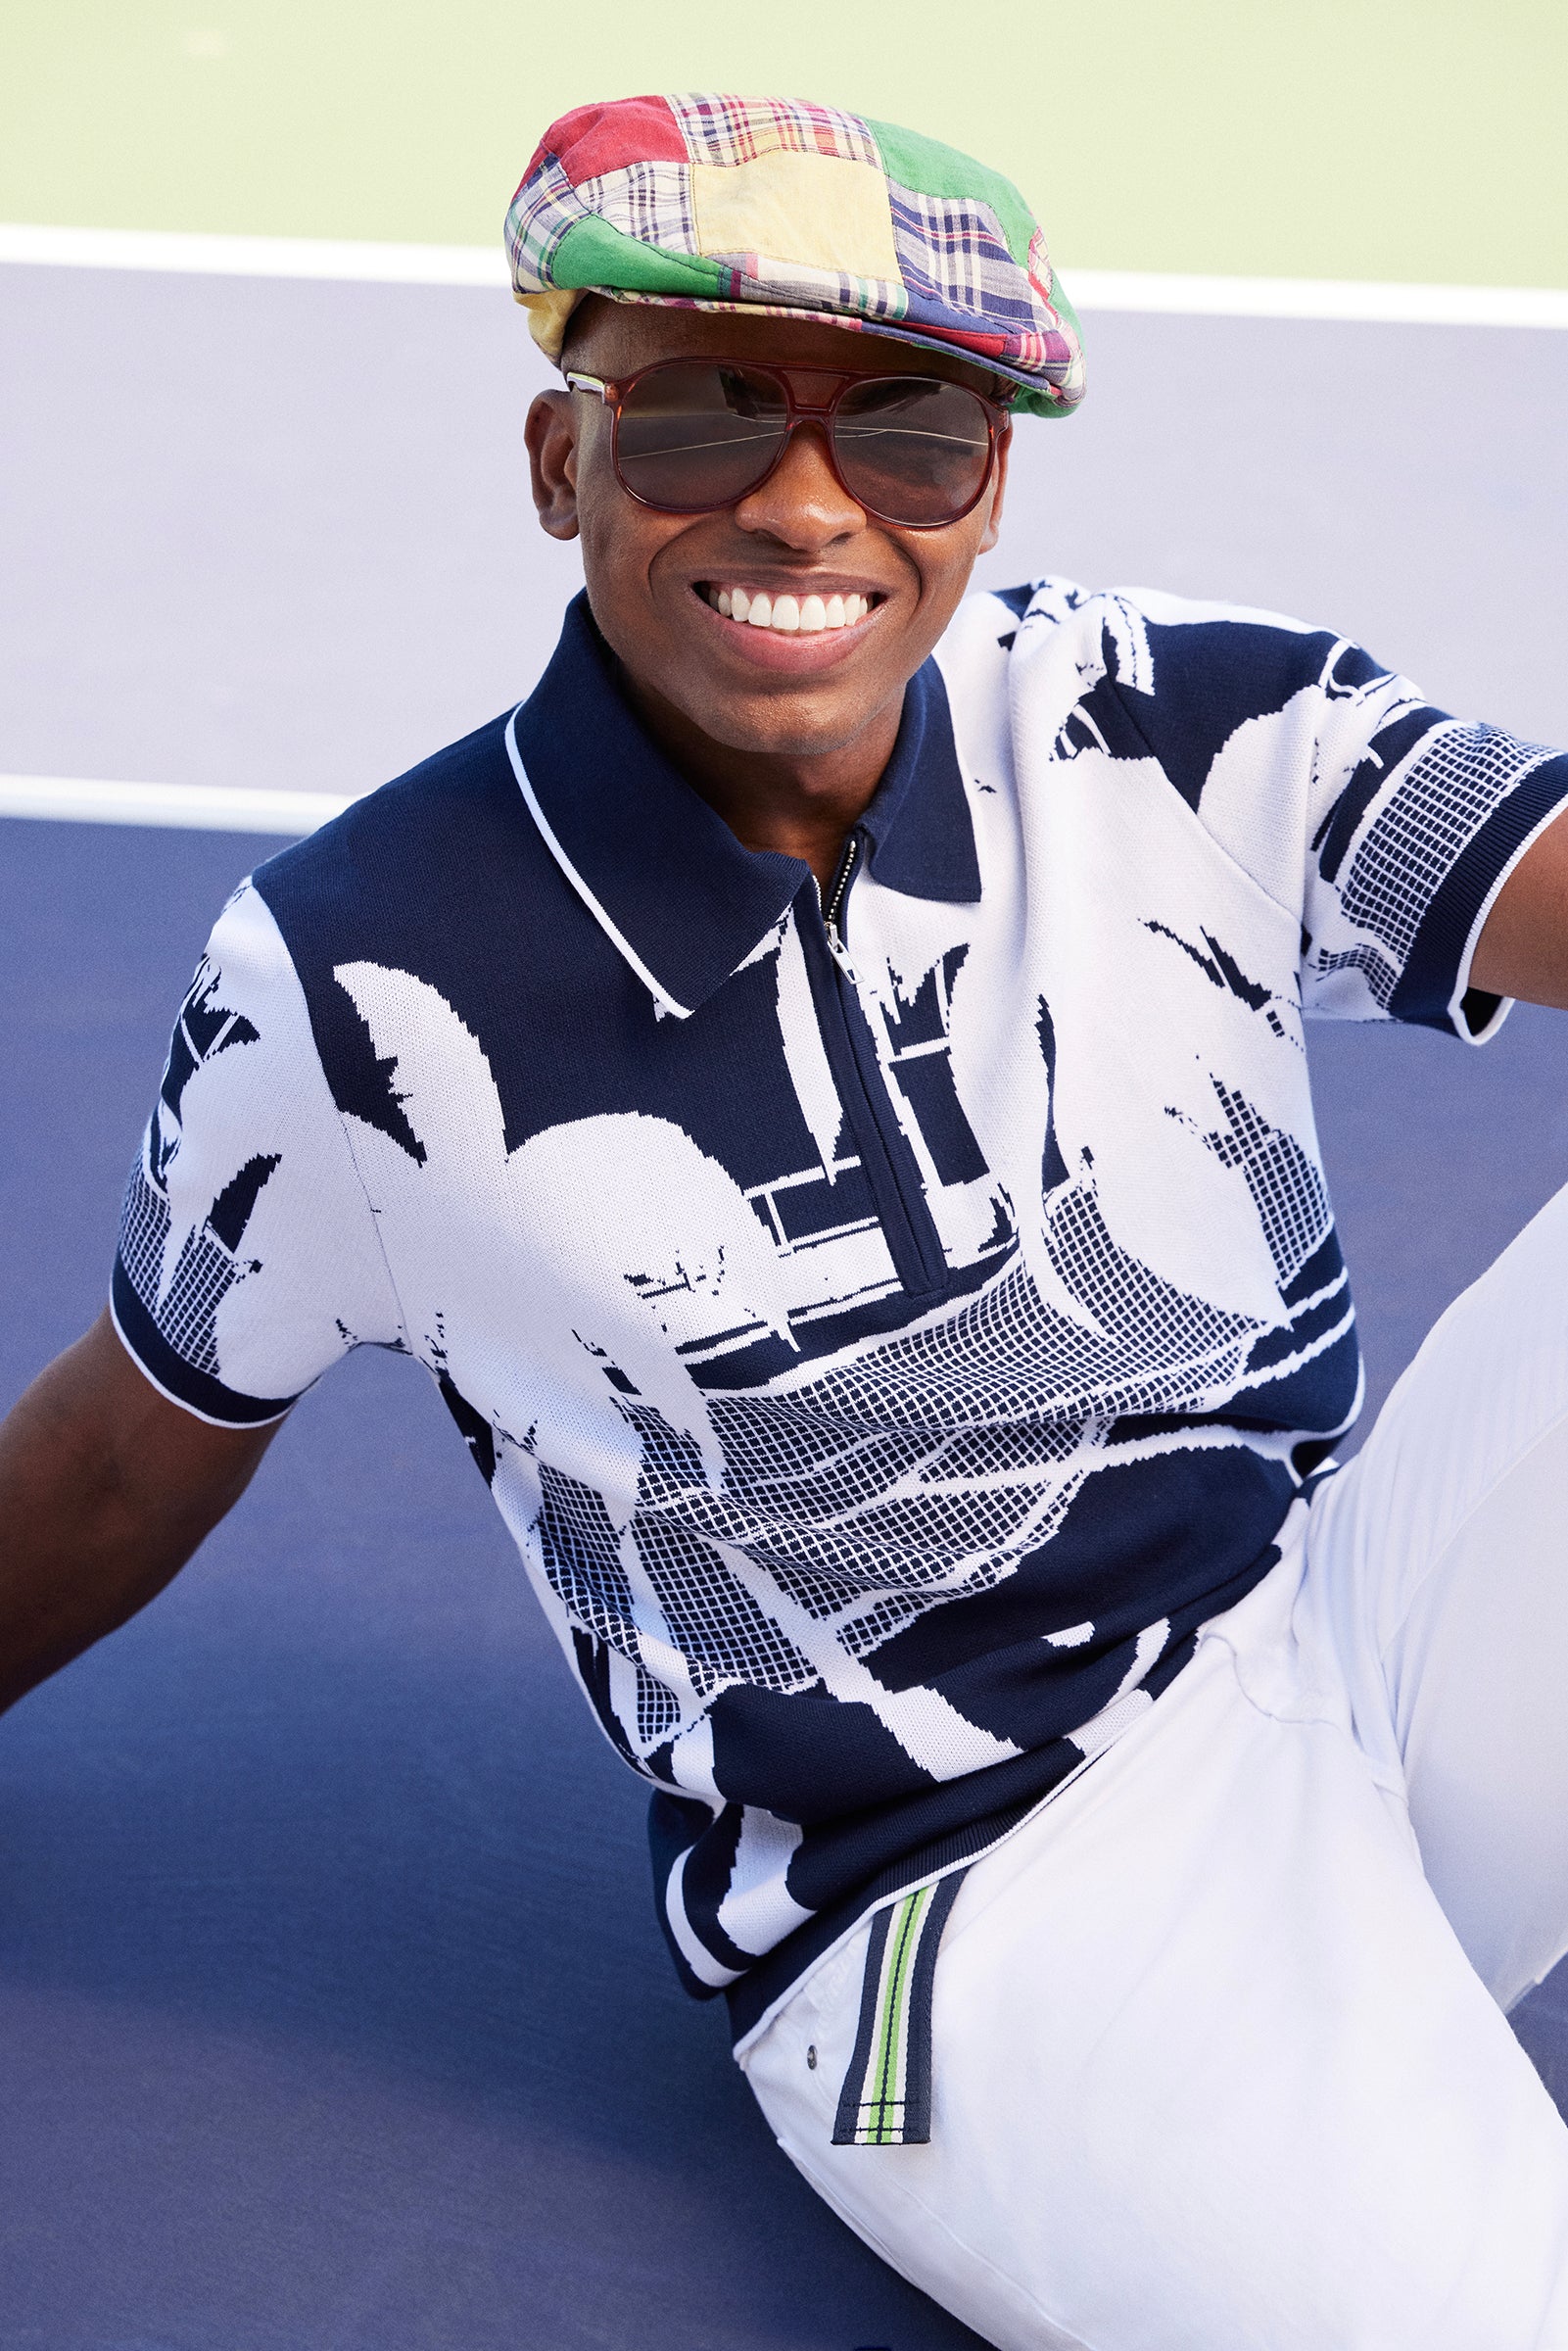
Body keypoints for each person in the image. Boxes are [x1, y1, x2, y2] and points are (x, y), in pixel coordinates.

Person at [5, 89, 1568, 2348]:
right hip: (980, 1894)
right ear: (563, 464)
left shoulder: (1179, 721)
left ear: (992, 485)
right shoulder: (350, 989)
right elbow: (128, 1445)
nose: (808, 500)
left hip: (1336, 1627)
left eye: (911, 429)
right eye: (704, 414)